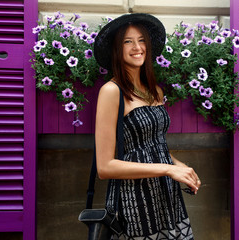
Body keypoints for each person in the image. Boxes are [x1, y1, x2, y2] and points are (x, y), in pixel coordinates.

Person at [93, 13, 201, 239]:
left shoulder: (155, 91)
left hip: (166, 197)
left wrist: (181, 168)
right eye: (127, 41)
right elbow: (105, 167)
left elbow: (153, 145)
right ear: (117, 49)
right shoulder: (112, 91)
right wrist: (168, 169)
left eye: (141, 40)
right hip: (136, 203)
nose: (137, 47)